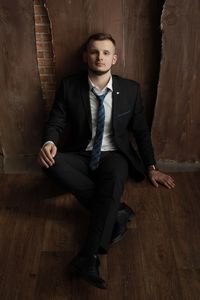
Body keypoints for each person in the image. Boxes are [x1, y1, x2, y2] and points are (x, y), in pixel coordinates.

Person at [38, 33, 175, 289]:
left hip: (115, 156)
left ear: (114, 58)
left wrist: (151, 167)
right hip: (81, 152)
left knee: (112, 182)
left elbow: (141, 132)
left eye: (105, 53)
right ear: (85, 57)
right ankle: (117, 211)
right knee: (49, 163)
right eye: (94, 52)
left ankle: (88, 256)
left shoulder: (130, 90)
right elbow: (56, 121)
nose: (99, 57)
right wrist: (49, 143)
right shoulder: (70, 86)